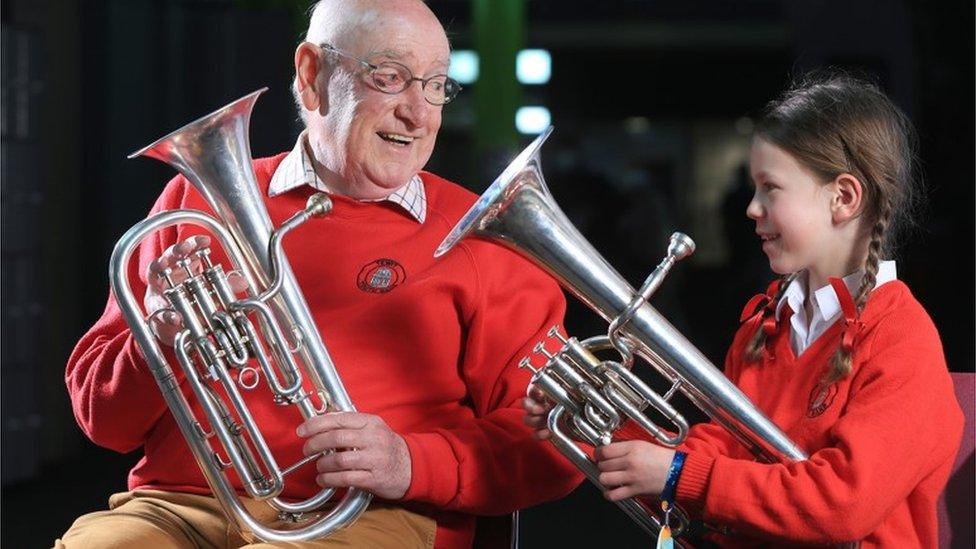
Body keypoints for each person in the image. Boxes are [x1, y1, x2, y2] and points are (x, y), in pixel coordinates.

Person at [60, 1, 581, 547]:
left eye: (437, 87)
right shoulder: (195, 202)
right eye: (390, 77)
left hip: (377, 512)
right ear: (312, 76)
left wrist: (411, 461)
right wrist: (157, 345)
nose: (419, 113)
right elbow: (104, 424)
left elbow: (557, 438)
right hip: (183, 505)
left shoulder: (486, 238)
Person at [524, 72, 964, 547]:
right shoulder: (767, 323)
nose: (752, 208)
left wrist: (677, 474)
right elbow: (717, 459)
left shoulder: (902, 338)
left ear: (843, 198)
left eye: (770, 188)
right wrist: (595, 418)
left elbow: (842, 504)